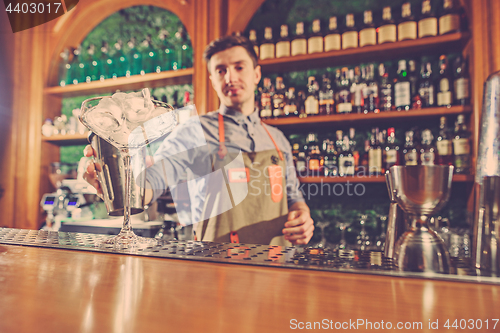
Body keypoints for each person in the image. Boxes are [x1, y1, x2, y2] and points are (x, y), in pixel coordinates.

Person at [84, 35, 314, 246]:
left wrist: (303, 216)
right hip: (218, 266)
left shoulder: (278, 139)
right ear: (213, 80)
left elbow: (293, 196)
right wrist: (116, 184)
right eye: (221, 71)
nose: (230, 77)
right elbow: (153, 181)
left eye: (239, 67)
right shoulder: (194, 130)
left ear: (256, 74)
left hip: (278, 264)